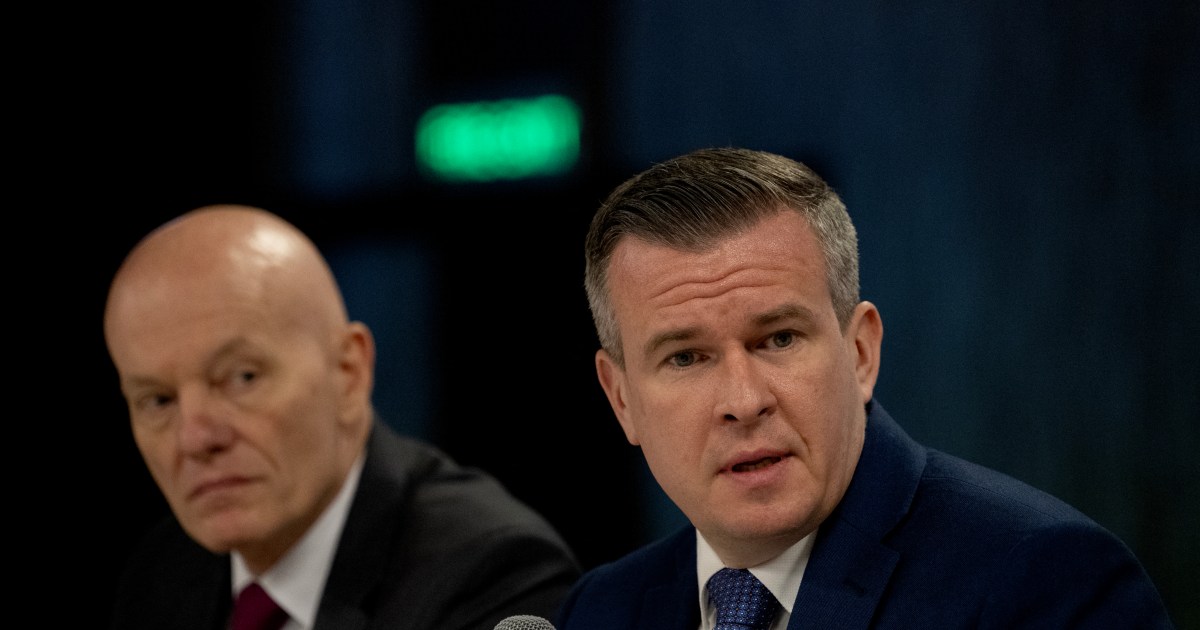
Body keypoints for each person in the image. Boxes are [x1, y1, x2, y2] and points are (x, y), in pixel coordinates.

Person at [555, 147, 1174, 629]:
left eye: (779, 339)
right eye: (687, 358)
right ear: (622, 399)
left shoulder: (1042, 580)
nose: (744, 402)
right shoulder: (600, 612)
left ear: (861, 352)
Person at [105, 205, 580, 630]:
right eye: (158, 401)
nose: (195, 438)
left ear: (349, 372)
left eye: (242, 377)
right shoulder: (161, 575)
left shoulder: (490, 573)